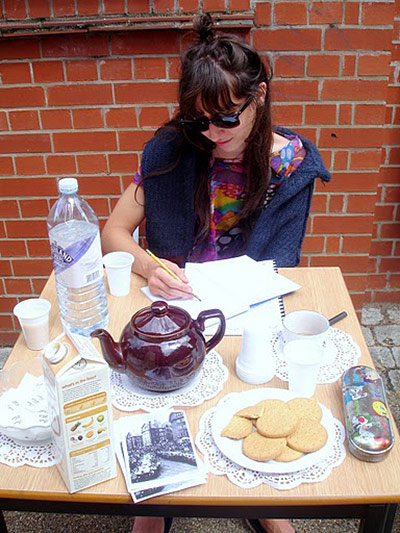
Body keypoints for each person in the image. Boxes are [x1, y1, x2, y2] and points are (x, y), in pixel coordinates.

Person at [102, 13, 330, 533]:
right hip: (176, 309)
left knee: (251, 392)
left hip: (245, 311)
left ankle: (263, 505)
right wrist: (150, 264)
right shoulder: (170, 150)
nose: (211, 134)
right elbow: (113, 232)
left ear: (261, 98)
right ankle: (157, 505)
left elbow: (280, 263)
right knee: (159, 382)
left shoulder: (287, 167)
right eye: (197, 121)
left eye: (226, 119)